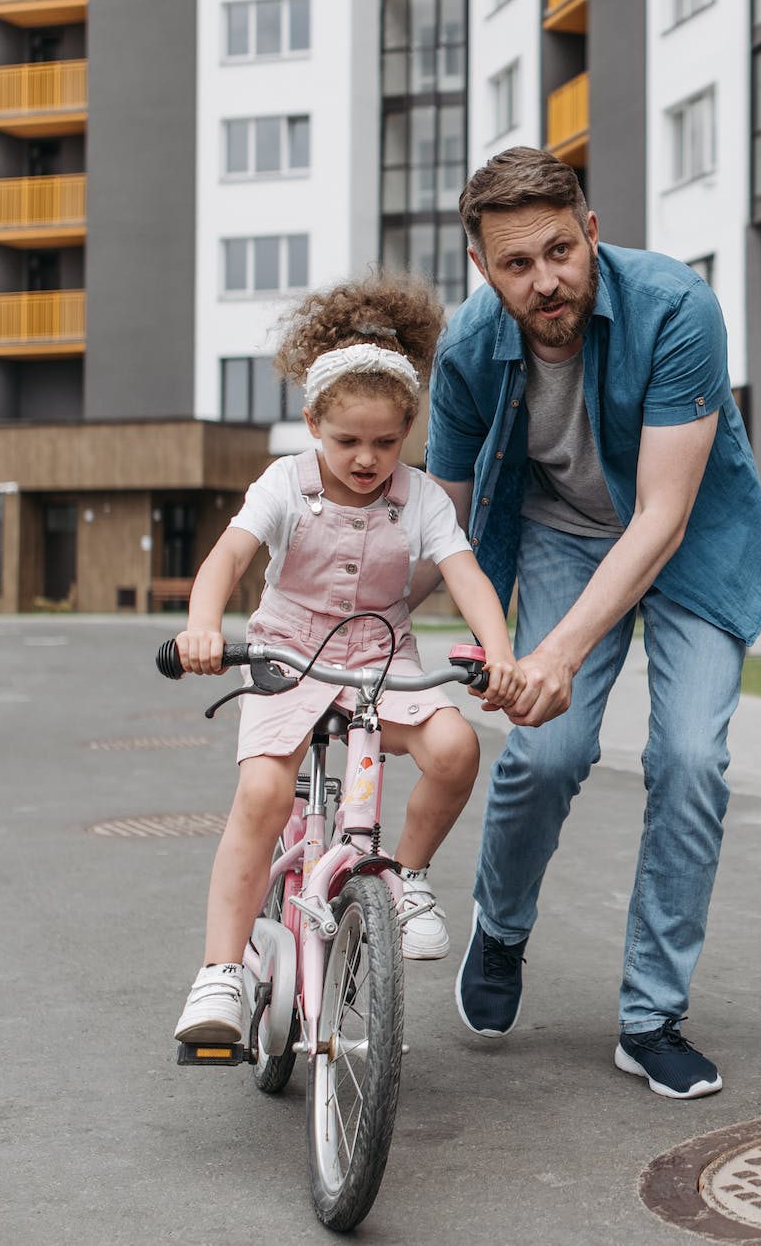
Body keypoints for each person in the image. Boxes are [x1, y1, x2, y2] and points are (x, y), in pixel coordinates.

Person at [423, 147, 761, 1100]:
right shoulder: (464, 350)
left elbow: (661, 514)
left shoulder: (676, 306)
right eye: (515, 265)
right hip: (563, 536)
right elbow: (439, 522)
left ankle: (651, 1016)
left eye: (557, 252)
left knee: (691, 760)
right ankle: (500, 931)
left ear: (588, 229)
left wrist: (559, 651)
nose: (545, 282)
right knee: (543, 751)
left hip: (691, 536)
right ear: (482, 270)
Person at [171, 272, 521, 1045]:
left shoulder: (421, 497)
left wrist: (500, 654)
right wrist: (204, 626)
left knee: (456, 746)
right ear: (311, 424)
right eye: (347, 441)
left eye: (386, 442)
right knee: (263, 793)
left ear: (408, 433)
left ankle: (407, 877)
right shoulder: (284, 486)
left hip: (383, 657)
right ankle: (222, 973)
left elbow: (467, 577)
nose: (367, 459)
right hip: (286, 651)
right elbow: (227, 559)